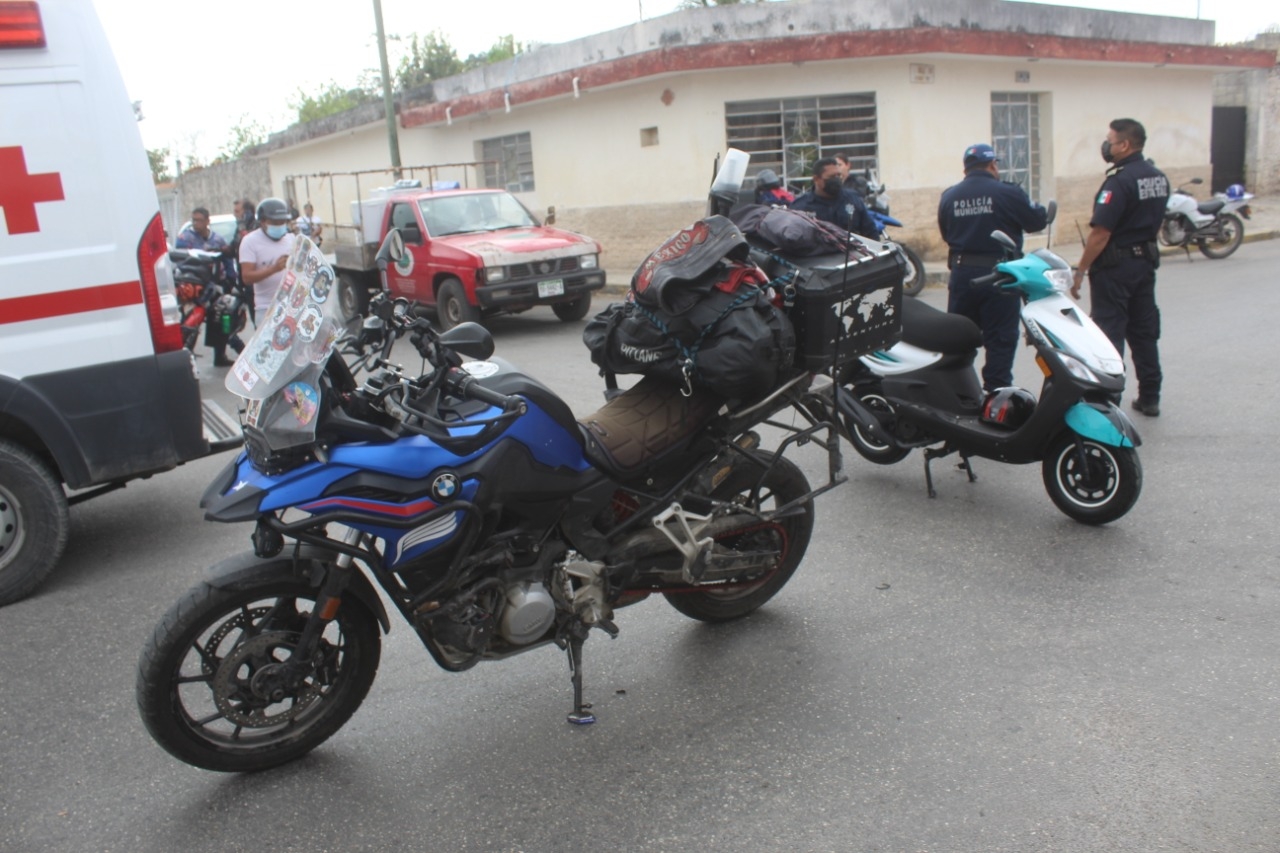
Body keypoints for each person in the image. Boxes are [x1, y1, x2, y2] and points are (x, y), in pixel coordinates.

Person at [1070, 119, 1168, 417]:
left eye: (1110, 140)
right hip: (1144, 263)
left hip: (1115, 268)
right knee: (1143, 331)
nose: (1106, 145)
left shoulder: (1119, 182)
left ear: (1124, 145)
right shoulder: (1158, 177)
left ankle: (1108, 401)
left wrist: (1081, 270)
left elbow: (1101, 233)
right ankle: (1150, 395)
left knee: (1109, 333)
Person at [938, 143, 1049, 392]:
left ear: (965, 169)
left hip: (962, 274)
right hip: (1000, 276)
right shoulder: (1007, 193)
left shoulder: (949, 196)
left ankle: (955, 393)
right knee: (1000, 340)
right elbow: (1036, 221)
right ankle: (996, 396)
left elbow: (947, 234)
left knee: (958, 339)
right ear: (992, 165)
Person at [175, 207, 243, 366]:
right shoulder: (185, 238)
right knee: (190, 323)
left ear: (207, 221)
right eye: (194, 220)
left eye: (199, 220)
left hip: (216, 286)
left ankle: (221, 356)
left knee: (223, 319)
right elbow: (180, 261)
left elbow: (227, 262)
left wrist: (231, 281)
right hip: (194, 287)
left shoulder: (218, 240)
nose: (196, 223)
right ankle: (186, 355)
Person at [239, 197, 298, 327]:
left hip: (292, 307)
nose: (280, 224)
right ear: (263, 221)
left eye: (283, 221)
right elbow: (247, 277)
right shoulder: (250, 242)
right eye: (275, 221)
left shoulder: (291, 239)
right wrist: (274, 269)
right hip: (267, 309)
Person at [789, 157, 879, 239]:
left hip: (852, 254)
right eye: (831, 177)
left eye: (838, 176)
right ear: (816, 179)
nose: (836, 180)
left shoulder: (853, 200)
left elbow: (871, 233)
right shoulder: (800, 207)